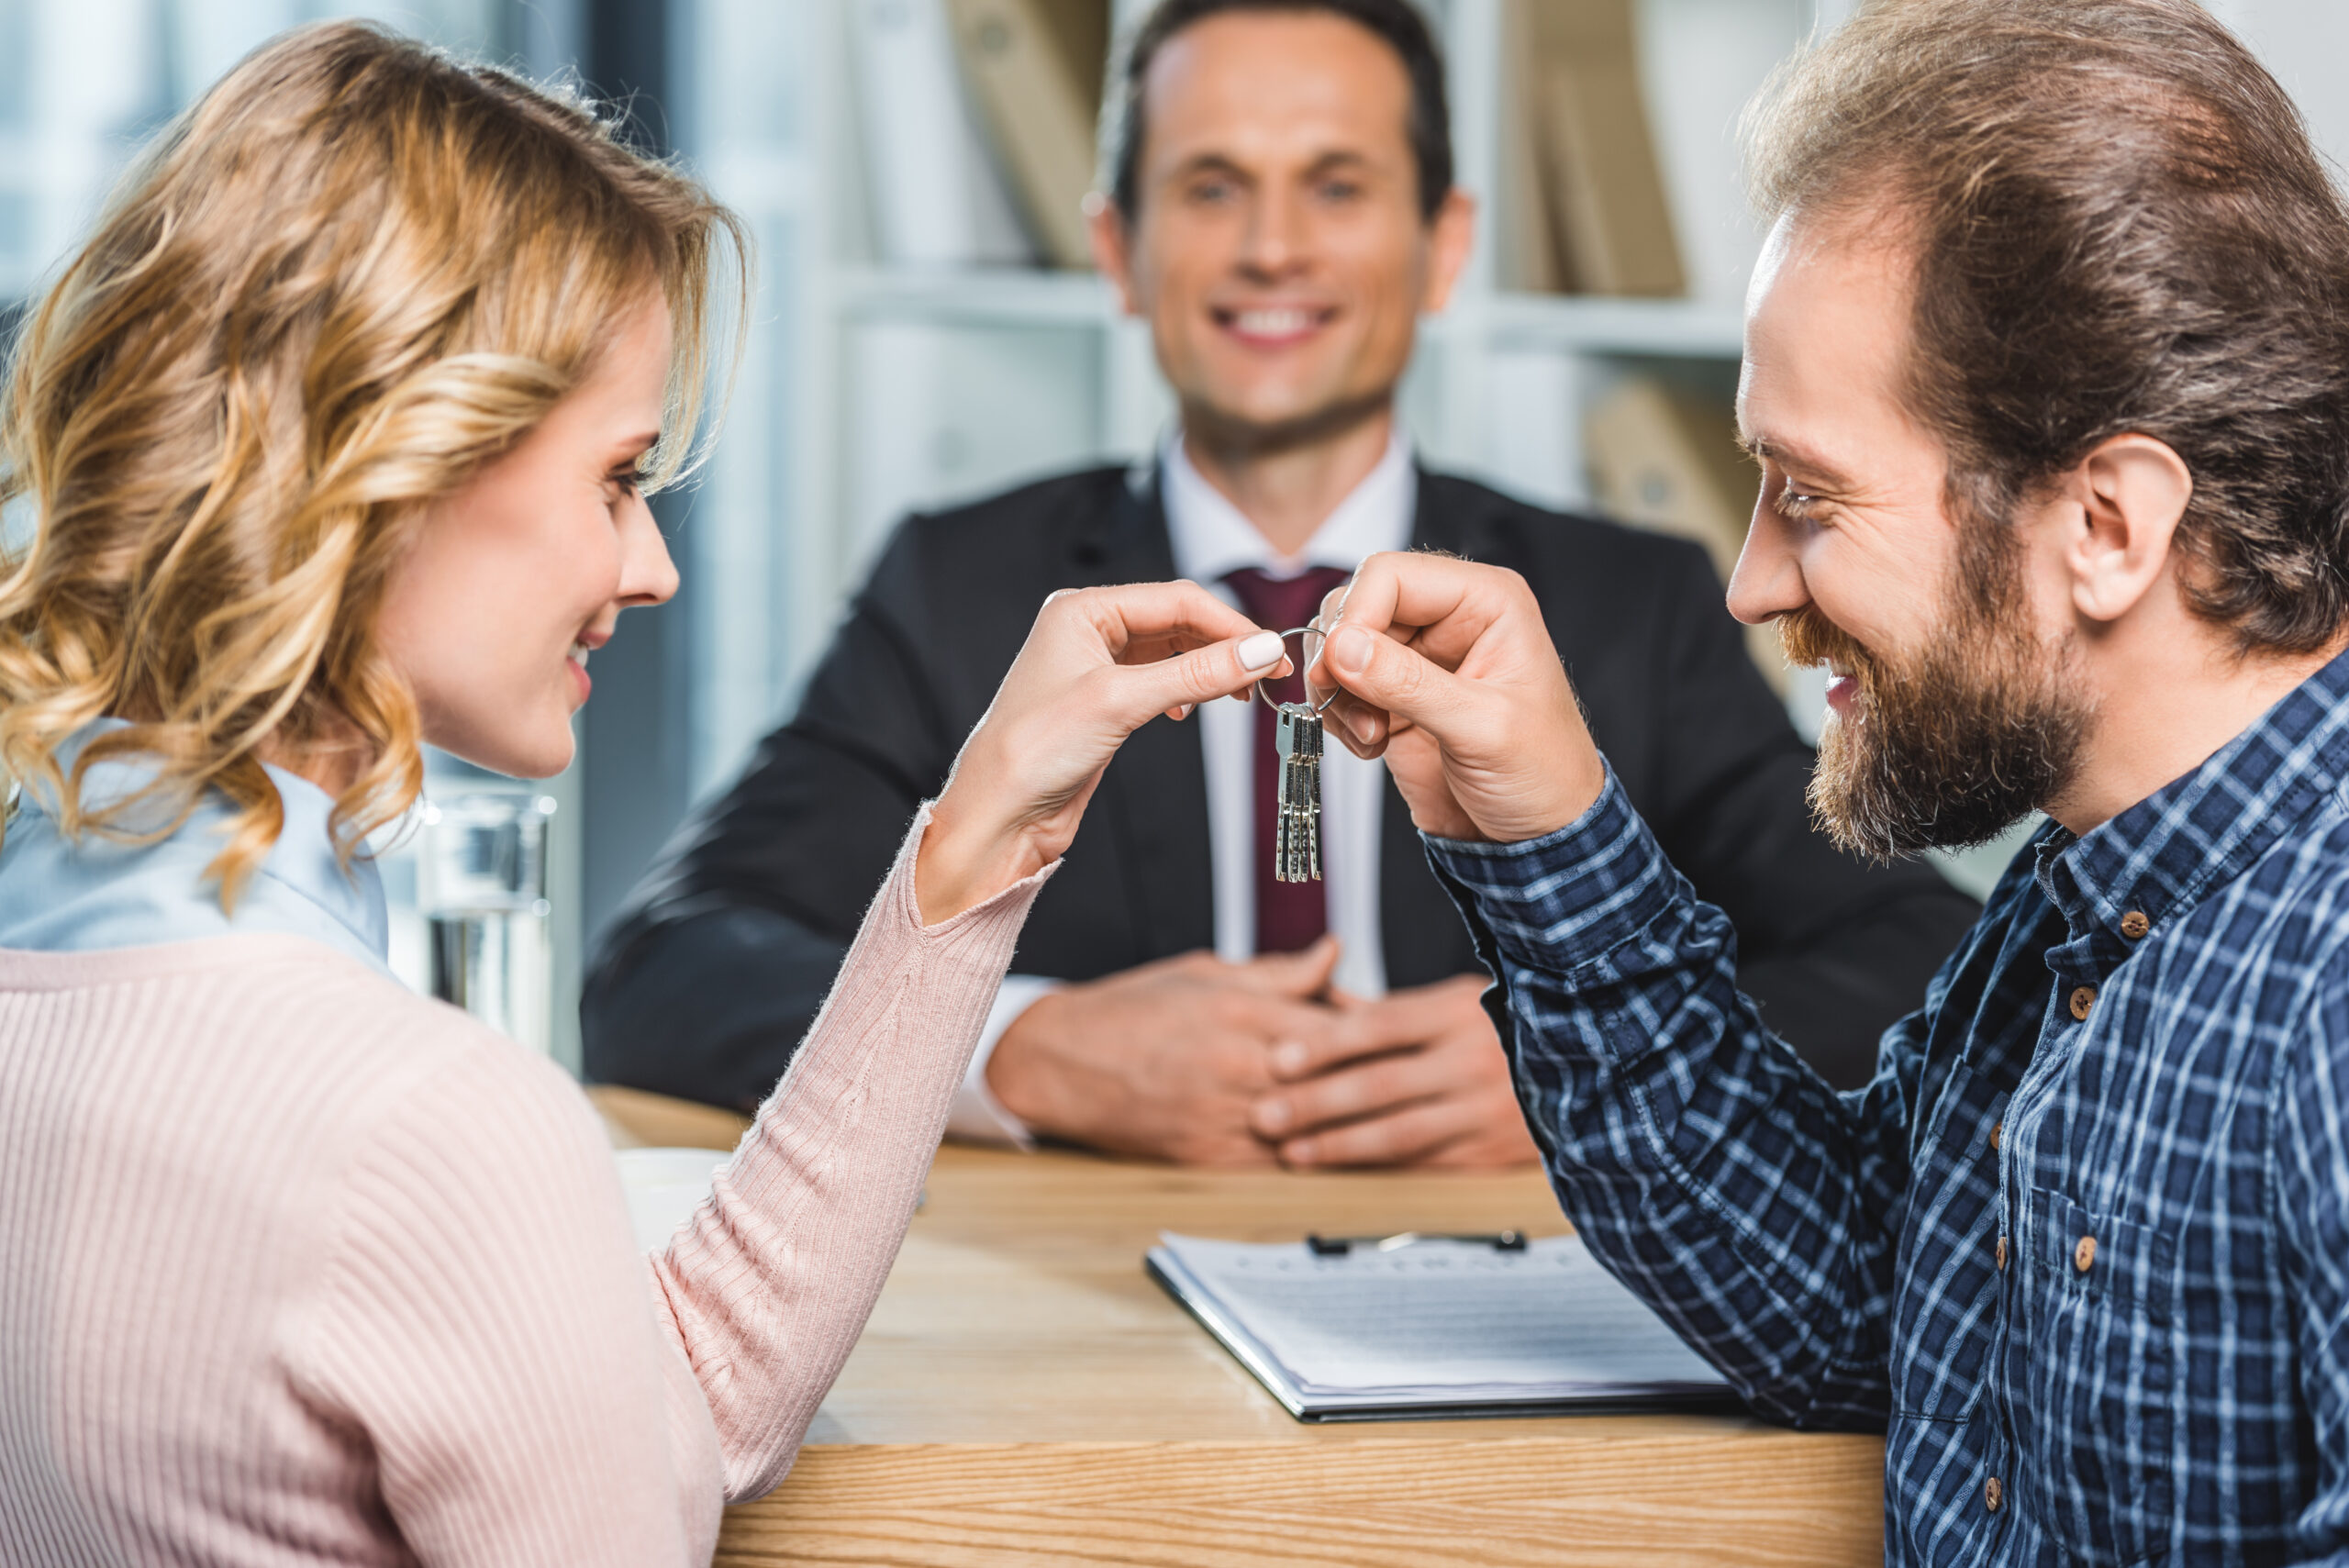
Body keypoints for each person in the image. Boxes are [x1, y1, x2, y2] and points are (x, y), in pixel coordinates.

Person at [0, 25, 1291, 1563]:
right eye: (616, 479)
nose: (653, 564)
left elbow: (655, 1416)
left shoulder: (78, 964)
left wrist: (982, 837)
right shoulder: (429, 1126)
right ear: (391, 461)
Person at [1303, 0, 2349, 1557]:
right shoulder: (2079, 895)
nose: (1748, 584)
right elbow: (1854, 1301)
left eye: (1806, 495)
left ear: (2110, 526)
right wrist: (1553, 831)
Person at [581, 0, 1977, 1165]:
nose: (1272, 249)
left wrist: (1580, 1058)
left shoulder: (1625, 602)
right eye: (1211, 187)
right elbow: (662, 970)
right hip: (1106, 1314)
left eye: (1337, 185)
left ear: (1443, 248)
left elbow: (1918, 955)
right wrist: (1025, 1042)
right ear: (1120, 253)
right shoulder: (966, 586)